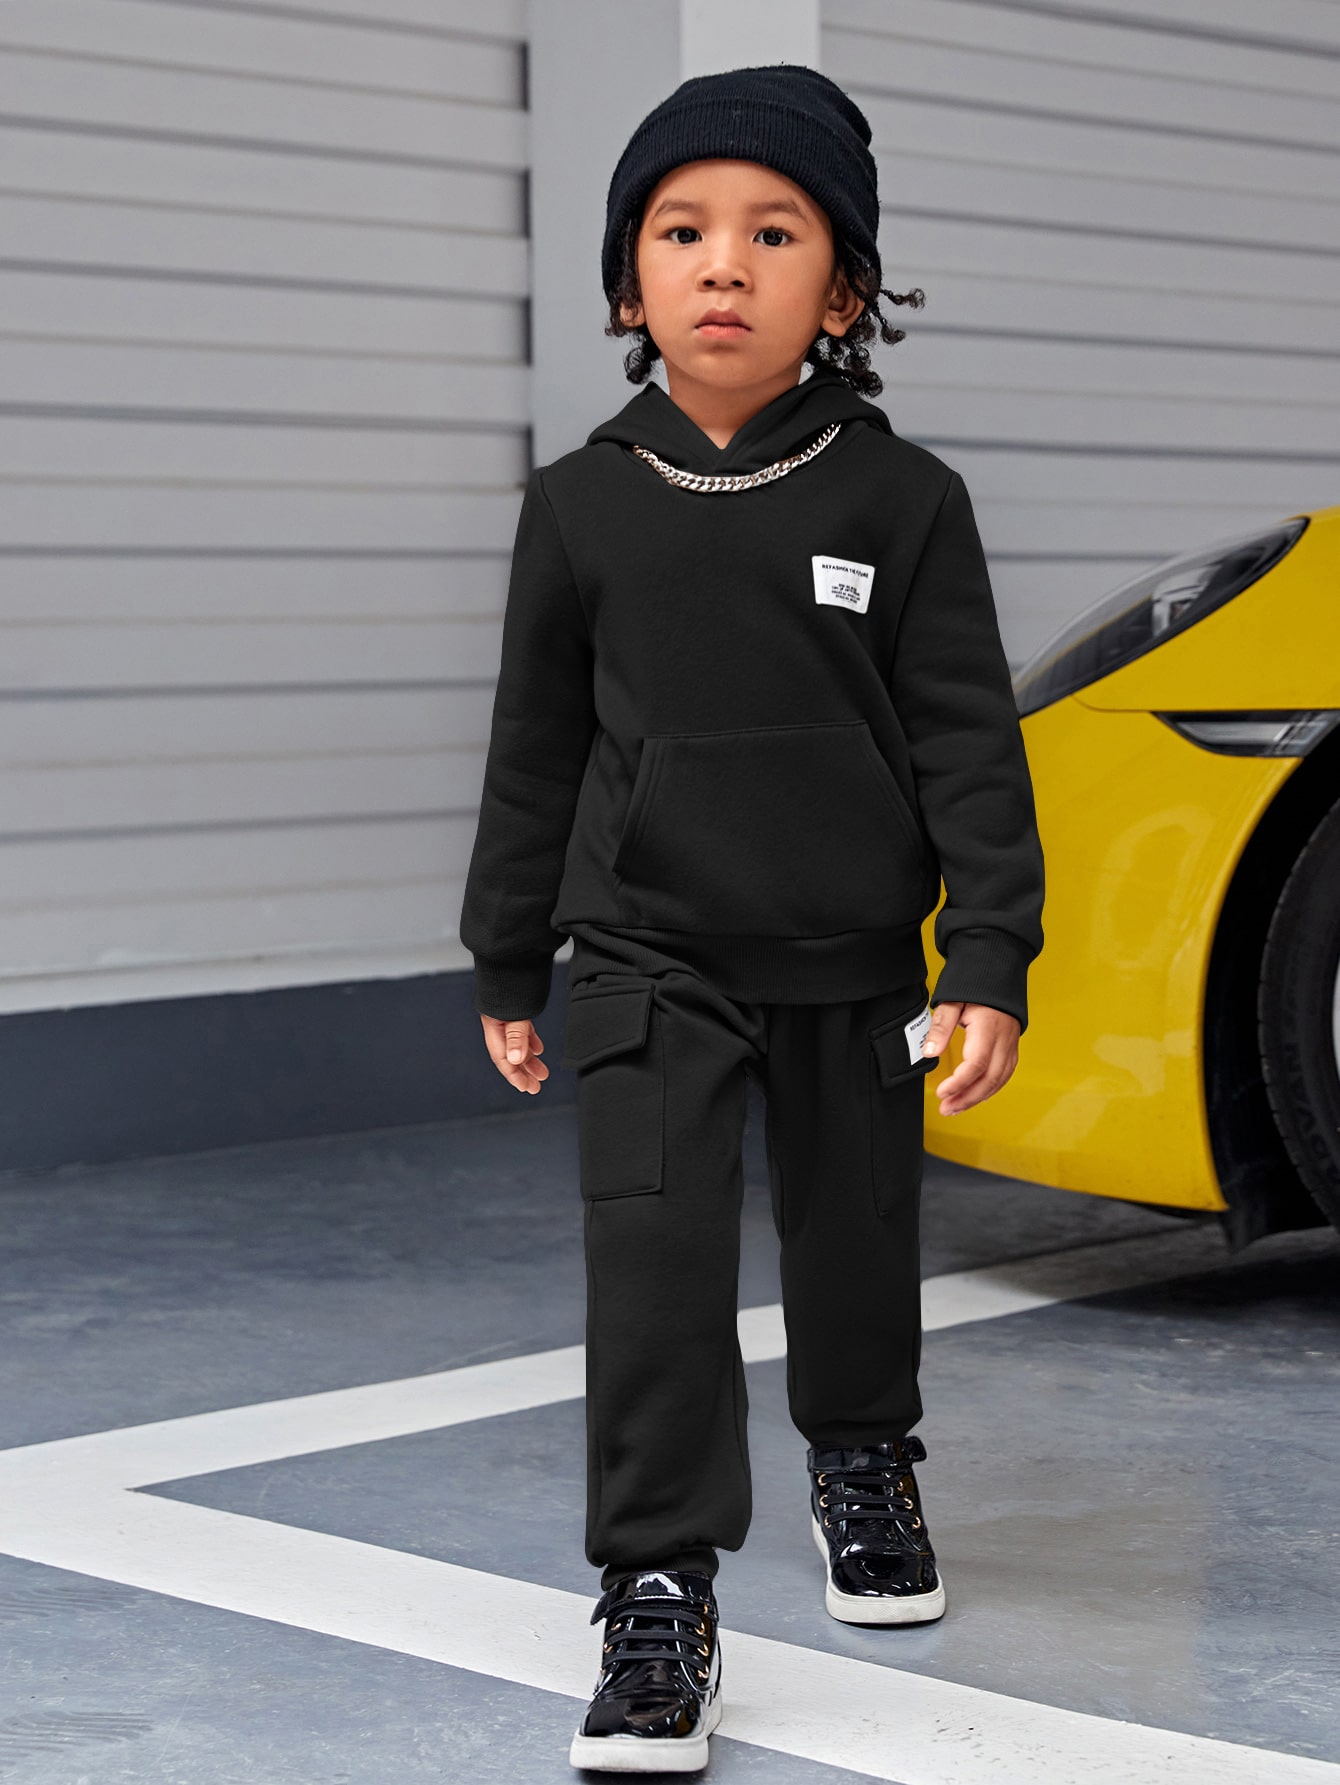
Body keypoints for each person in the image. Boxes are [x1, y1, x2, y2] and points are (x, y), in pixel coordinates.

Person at [459, 64, 1045, 1775]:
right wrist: (507, 951)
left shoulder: (903, 500)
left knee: (855, 1243)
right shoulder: (579, 506)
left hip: (854, 962)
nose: (724, 262)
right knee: (651, 1266)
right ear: (627, 286)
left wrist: (988, 952)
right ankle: (655, 1590)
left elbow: (967, 741)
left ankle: (862, 1458)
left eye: (775, 233)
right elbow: (533, 746)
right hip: (648, 957)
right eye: (681, 231)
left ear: (843, 291)